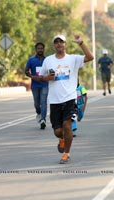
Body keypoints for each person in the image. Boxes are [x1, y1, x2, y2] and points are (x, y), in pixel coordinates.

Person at [38, 34, 94, 164]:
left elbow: (90, 57)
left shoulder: (73, 59)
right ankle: (62, 139)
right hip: (54, 100)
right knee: (58, 131)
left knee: (67, 125)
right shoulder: (48, 60)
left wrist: (81, 44)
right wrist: (48, 78)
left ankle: (66, 154)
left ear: (65, 44)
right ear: (54, 45)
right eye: (56, 42)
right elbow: (41, 77)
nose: (59, 44)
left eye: (61, 42)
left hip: (69, 98)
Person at [25, 42, 48, 130]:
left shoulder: (47, 60)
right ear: (36, 50)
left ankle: (43, 120)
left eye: (41, 48)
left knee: (43, 102)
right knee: (37, 103)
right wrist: (33, 77)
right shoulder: (31, 60)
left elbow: (51, 71)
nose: (40, 50)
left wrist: (46, 77)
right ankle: (38, 113)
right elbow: (26, 71)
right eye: (38, 48)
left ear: (43, 49)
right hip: (35, 85)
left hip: (44, 84)